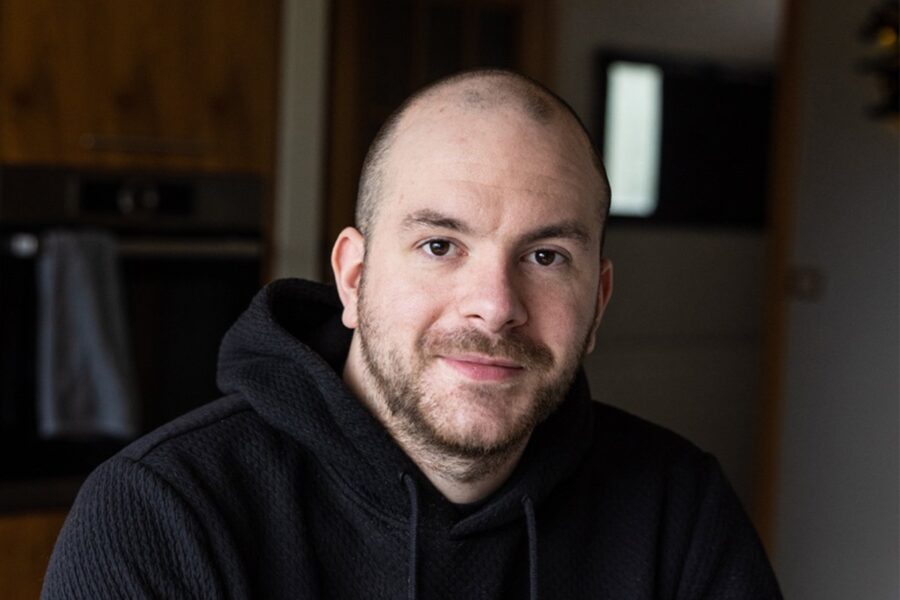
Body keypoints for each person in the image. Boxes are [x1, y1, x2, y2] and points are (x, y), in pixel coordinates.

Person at [42, 69, 781, 599]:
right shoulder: (161, 513)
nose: (494, 307)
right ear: (354, 278)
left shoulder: (678, 509)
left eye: (546, 257)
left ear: (599, 302)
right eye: (439, 245)